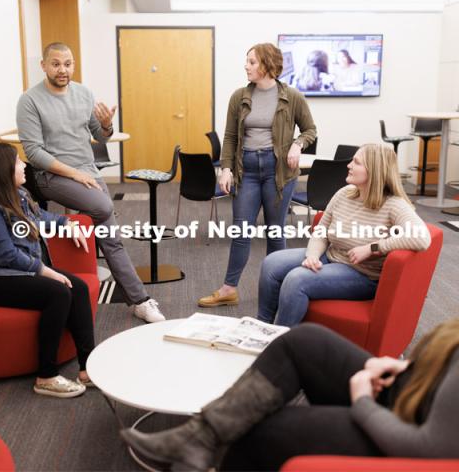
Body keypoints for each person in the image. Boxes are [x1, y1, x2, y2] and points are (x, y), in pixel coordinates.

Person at [120, 319, 459, 471]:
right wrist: (412, 368)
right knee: (304, 340)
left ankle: (203, 443)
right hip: (413, 392)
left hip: (410, 440)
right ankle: (200, 438)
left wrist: (363, 403)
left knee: (261, 430)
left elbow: (432, 448)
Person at [16, 42, 164, 323]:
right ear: (44, 66)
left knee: (112, 238)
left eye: (68, 64)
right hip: (51, 176)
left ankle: (139, 300)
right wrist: (74, 174)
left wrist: (107, 124)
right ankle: (136, 297)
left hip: (87, 173)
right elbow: (34, 152)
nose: (63, 69)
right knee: (103, 206)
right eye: (56, 64)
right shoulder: (30, 100)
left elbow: (101, 136)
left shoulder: (84, 93)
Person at [258, 143, 431, 326]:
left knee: (296, 279)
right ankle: (261, 327)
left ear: (374, 170)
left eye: (356, 162)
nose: (348, 165)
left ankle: (277, 340)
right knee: (271, 263)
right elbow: (321, 232)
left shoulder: (394, 205)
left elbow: (422, 237)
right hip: (332, 256)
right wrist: (313, 256)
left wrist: (373, 248)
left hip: (362, 274)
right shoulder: (344, 194)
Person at [198, 43, 316, 307]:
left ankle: (280, 288)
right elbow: (230, 136)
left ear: (266, 65)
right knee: (241, 231)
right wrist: (225, 169)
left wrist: (297, 144)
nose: (246, 66)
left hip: (278, 173)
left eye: (251, 62)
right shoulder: (239, 96)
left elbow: (310, 130)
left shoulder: (292, 96)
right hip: (247, 171)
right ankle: (229, 289)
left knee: (275, 232)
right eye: (247, 61)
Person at [0, 143, 94, 398]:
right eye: (18, 162)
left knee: (80, 288)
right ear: (3, 170)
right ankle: (46, 376)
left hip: (17, 271)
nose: (24, 166)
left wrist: (66, 222)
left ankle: (87, 368)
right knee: (59, 293)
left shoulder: (18, 194)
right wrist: (44, 270)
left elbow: (40, 217)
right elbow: (4, 255)